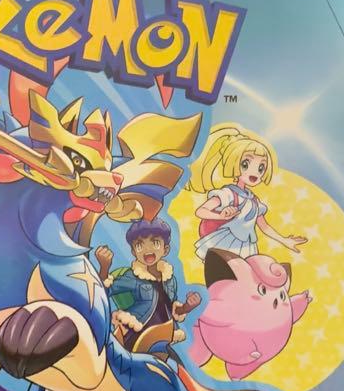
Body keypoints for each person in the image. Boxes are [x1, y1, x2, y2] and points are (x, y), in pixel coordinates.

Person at [190, 124, 307, 260]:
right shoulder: (228, 194)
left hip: (246, 246)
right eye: (245, 164)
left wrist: (285, 240)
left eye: (261, 167)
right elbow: (201, 211)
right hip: (225, 242)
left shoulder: (254, 201)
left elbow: (264, 227)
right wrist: (220, 216)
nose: (255, 172)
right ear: (233, 163)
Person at [94, 217, 200, 358]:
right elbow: (104, 291)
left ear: (165, 249)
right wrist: (104, 268)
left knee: (171, 365)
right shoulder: (133, 277)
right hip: (138, 333)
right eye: (139, 245)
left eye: (155, 243)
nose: (147, 249)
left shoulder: (170, 280)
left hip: (162, 334)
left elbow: (171, 309)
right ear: (134, 252)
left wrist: (187, 307)